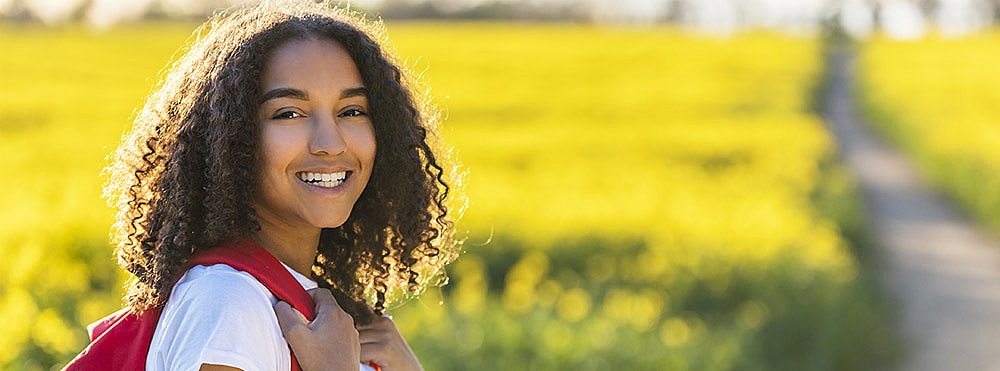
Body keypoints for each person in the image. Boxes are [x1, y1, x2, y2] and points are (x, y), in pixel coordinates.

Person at [100, 1, 463, 370]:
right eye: (289, 113)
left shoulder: (320, 307)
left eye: (351, 111)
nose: (331, 143)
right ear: (232, 138)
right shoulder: (228, 303)